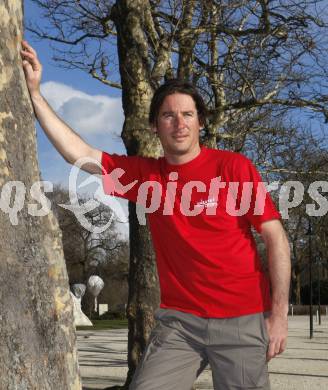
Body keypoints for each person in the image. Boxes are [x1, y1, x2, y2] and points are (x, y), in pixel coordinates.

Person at [21, 40, 291, 390]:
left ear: (200, 122)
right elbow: (81, 154)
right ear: (154, 126)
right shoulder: (146, 176)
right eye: (168, 115)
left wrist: (280, 314)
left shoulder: (233, 167)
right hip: (180, 322)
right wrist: (36, 94)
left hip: (240, 318)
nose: (179, 123)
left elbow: (276, 239)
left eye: (188, 114)